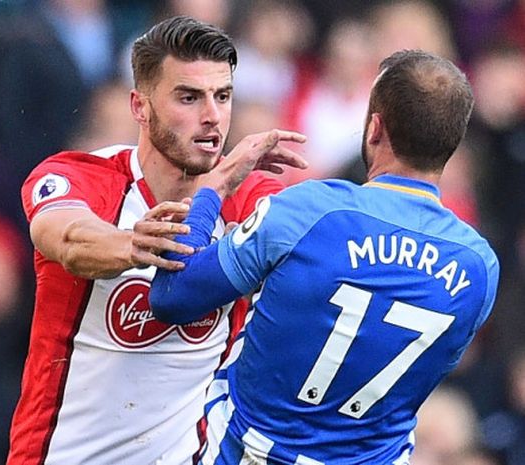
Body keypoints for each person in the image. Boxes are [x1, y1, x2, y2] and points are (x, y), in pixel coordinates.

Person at [150, 49, 500, 464]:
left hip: (246, 452)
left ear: (374, 128)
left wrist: (213, 189)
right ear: (451, 143)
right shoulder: (479, 267)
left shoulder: (312, 211)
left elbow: (174, 295)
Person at [7, 15, 307, 465]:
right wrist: (132, 245)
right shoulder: (82, 177)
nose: (211, 116)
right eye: (189, 97)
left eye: (222, 96)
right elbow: (66, 237)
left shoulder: (251, 197)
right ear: (140, 107)